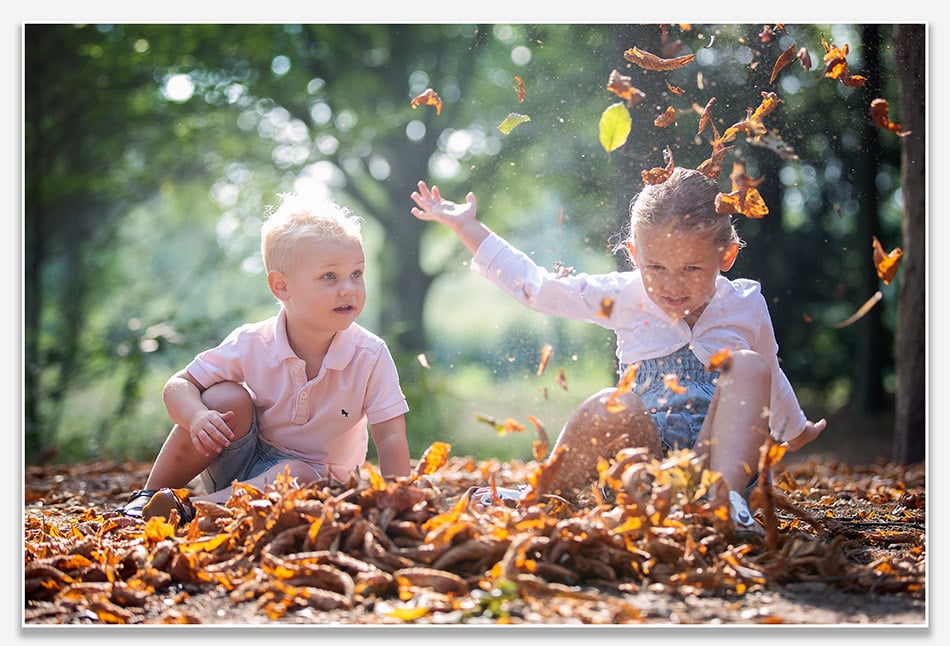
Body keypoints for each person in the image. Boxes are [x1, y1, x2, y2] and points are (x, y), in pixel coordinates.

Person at [409, 167, 827, 536]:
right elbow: (538, 288)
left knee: (748, 364)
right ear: (634, 255)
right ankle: (543, 492)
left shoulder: (744, 303)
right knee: (612, 404)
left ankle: (724, 504)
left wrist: (794, 428)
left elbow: (768, 369)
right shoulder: (623, 297)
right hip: (639, 470)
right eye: (656, 268)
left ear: (726, 255)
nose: (672, 286)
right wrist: (467, 228)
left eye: (692, 269)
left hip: (715, 464)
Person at [122, 193, 411, 524]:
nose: (349, 288)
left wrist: (395, 500)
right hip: (241, 460)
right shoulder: (252, 342)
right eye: (330, 276)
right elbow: (179, 385)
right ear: (282, 287)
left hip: (315, 483)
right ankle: (148, 497)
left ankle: (193, 510)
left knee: (298, 474)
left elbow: (389, 436)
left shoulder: (369, 355)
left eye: (357, 274)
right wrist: (198, 417)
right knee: (224, 397)